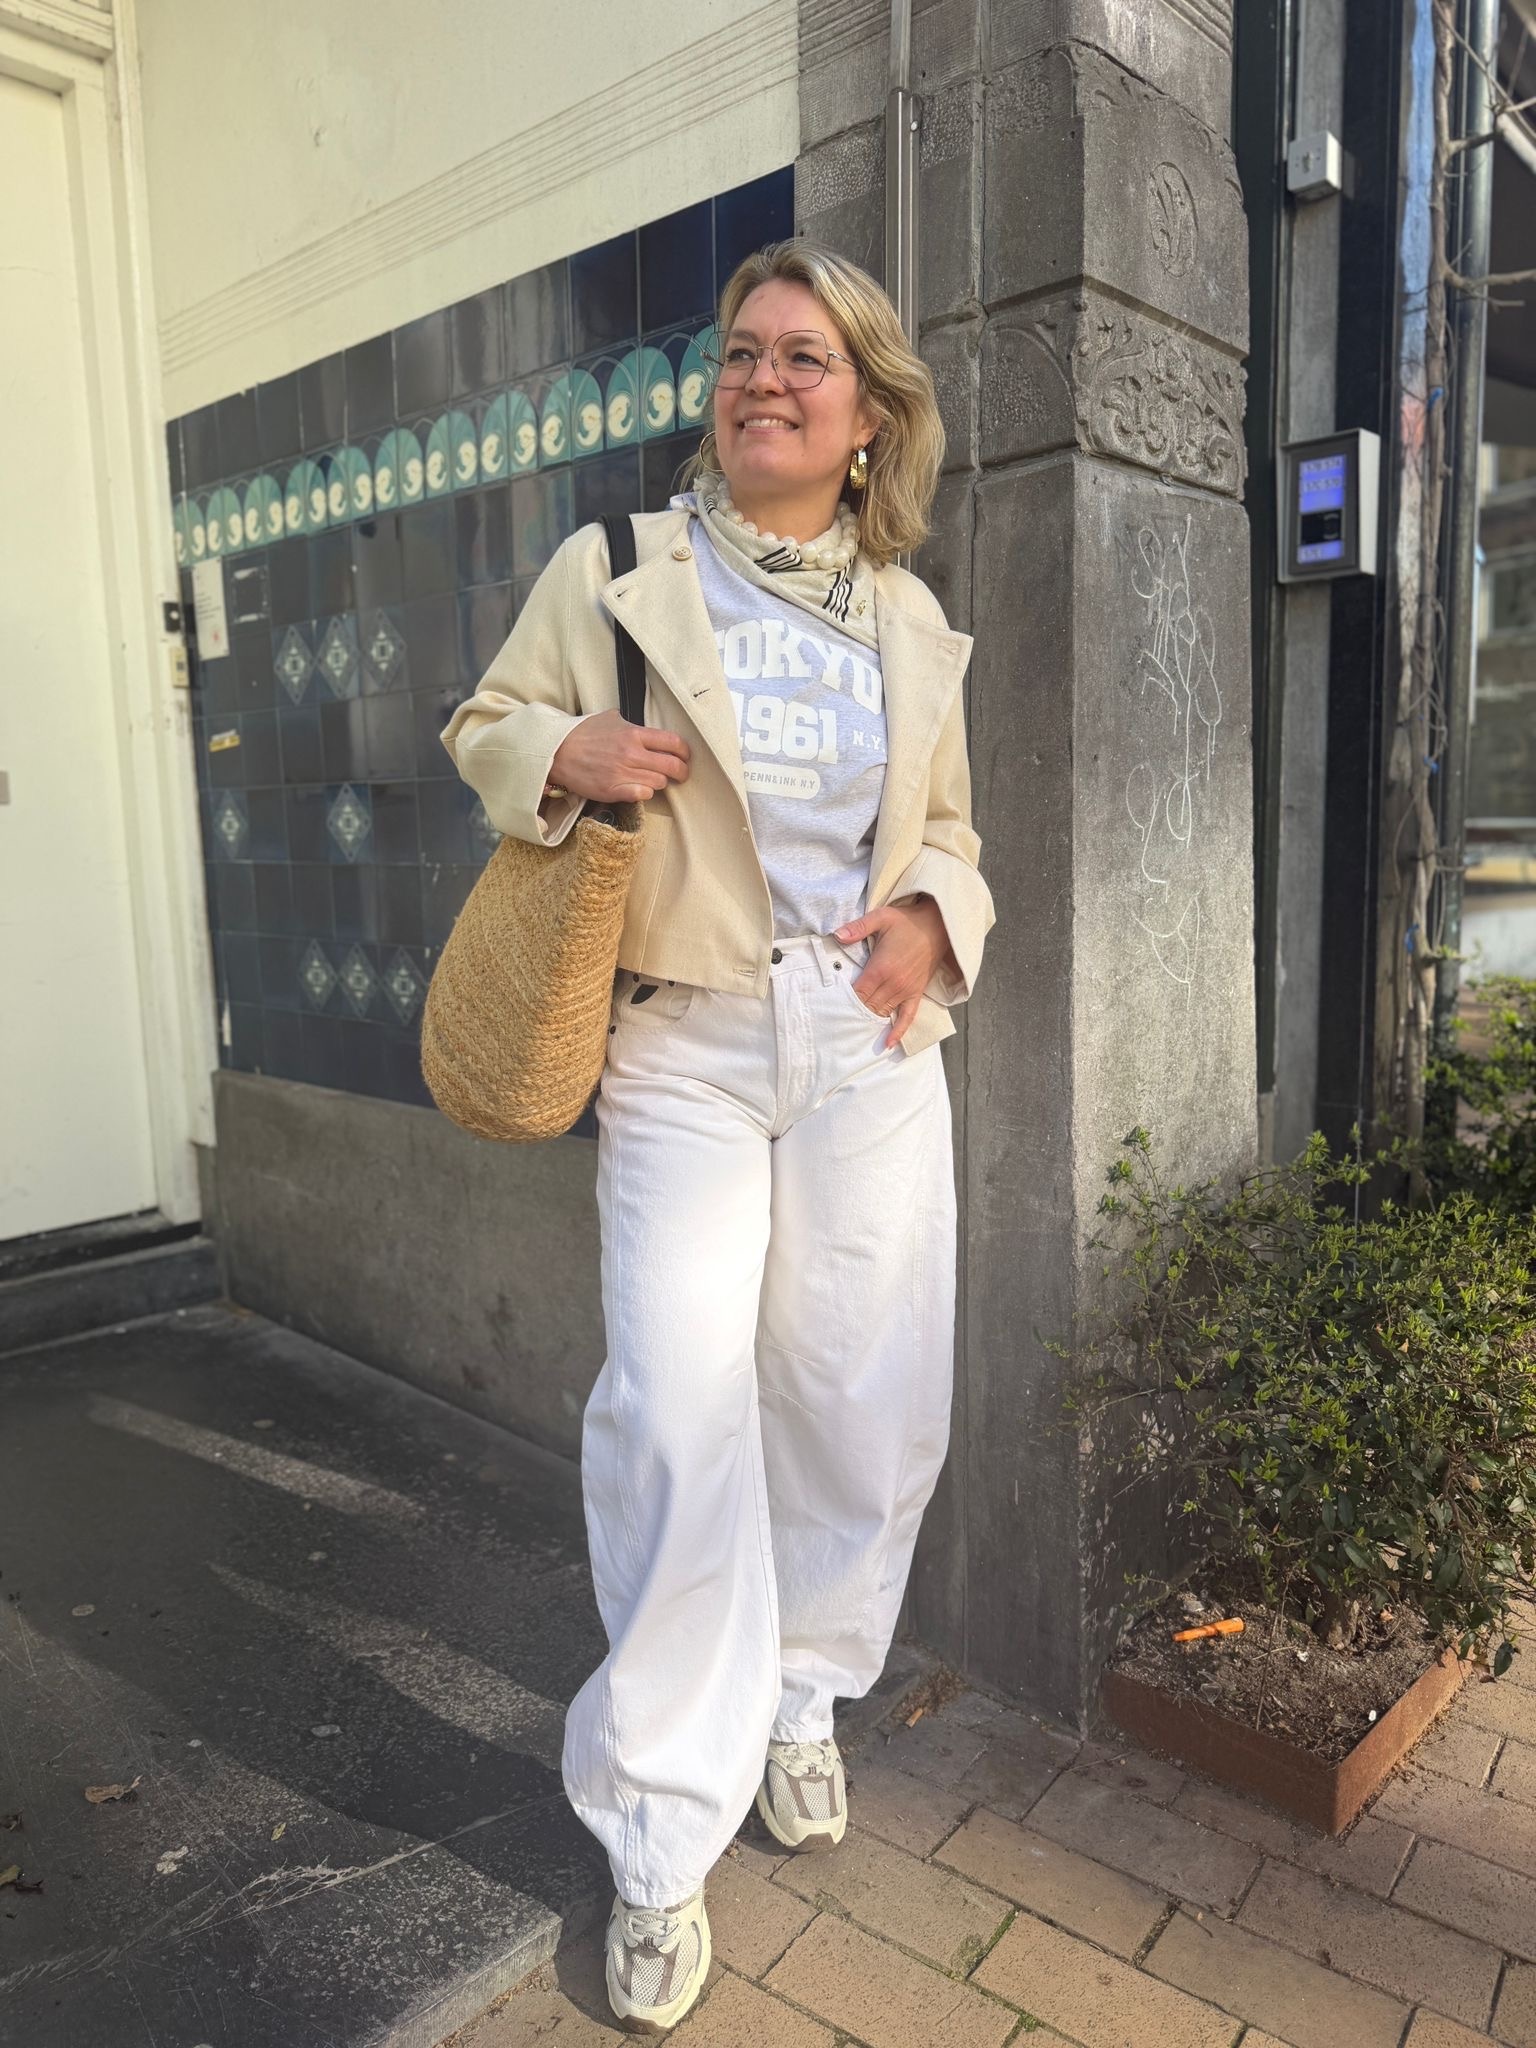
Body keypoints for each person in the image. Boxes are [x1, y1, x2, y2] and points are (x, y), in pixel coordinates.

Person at [442, 239, 995, 2035]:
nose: (764, 378)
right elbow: (487, 723)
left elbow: (952, 833)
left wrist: (933, 920)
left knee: (858, 1398)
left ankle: (803, 1697)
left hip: (868, 1043)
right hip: (682, 1038)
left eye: (804, 359)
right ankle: (660, 1829)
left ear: (868, 414)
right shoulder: (622, 566)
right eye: (745, 351)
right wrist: (568, 757)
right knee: (680, 1415)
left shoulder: (907, 617)